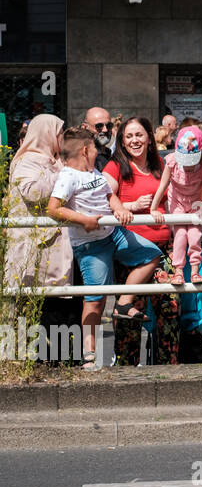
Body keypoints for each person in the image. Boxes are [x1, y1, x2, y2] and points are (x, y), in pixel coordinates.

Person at [48, 129, 162, 370]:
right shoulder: (68, 176)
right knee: (95, 300)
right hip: (91, 245)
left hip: (114, 233)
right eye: (95, 148)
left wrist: (119, 208)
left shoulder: (94, 171)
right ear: (85, 151)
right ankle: (89, 354)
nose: (98, 152)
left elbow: (109, 194)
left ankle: (124, 302)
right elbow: (54, 209)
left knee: (151, 254)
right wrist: (83, 220)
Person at [102, 116, 179, 364]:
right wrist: (130, 206)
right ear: (122, 142)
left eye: (139, 135)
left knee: (170, 309)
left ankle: (169, 369)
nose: (135, 141)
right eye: (129, 136)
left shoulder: (160, 163)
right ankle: (126, 370)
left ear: (148, 137)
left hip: (163, 249)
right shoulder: (116, 166)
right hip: (133, 253)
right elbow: (101, 195)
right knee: (129, 317)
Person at [3, 114, 76, 358]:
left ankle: (57, 359)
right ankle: (35, 361)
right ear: (47, 133)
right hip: (35, 251)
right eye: (59, 133)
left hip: (53, 248)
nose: (63, 139)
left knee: (56, 307)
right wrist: (65, 176)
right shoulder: (28, 160)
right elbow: (33, 191)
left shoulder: (55, 161)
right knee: (37, 308)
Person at [149, 126, 202, 288]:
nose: (188, 166)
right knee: (180, 235)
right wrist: (153, 208)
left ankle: (194, 270)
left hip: (196, 202)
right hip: (177, 201)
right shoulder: (172, 162)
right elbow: (163, 185)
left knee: (194, 235)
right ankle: (178, 270)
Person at [81, 106, 114, 171]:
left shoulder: (111, 154)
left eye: (109, 125)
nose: (105, 130)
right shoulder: (82, 157)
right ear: (84, 127)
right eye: (99, 126)